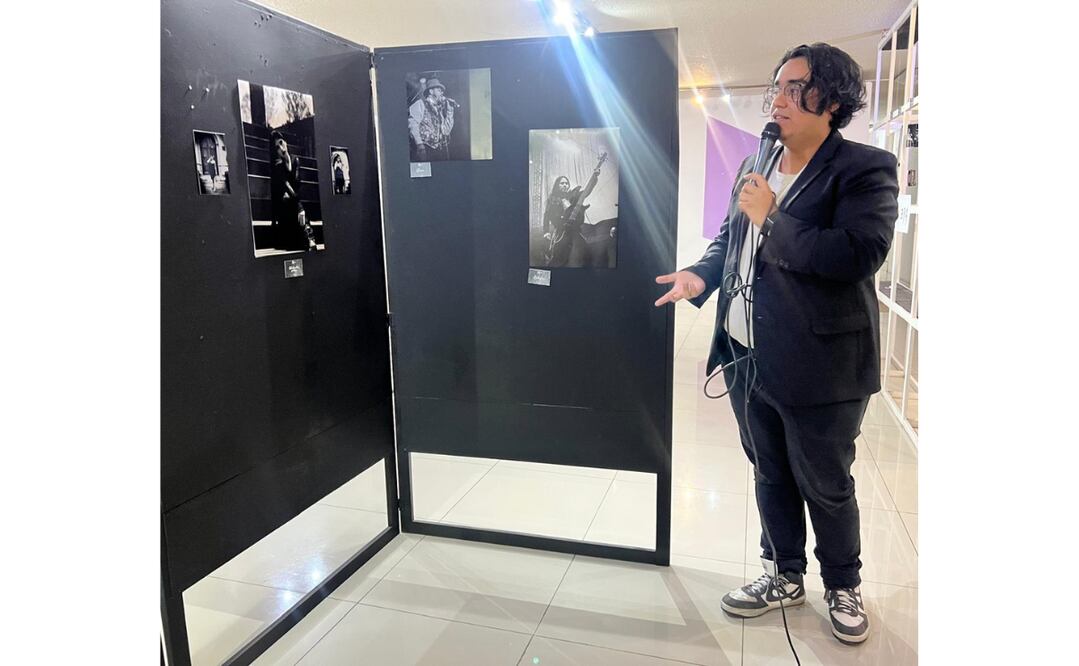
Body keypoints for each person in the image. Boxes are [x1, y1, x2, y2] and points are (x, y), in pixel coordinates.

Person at [654, 43, 899, 646]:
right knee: (769, 472)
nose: (779, 101)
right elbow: (730, 238)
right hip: (745, 355)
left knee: (825, 482)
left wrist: (774, 217)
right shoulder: (757, 161)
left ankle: (842, 584)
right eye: (777, 88)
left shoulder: (865, 168)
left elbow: (855, 255)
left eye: (796, 88)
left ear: (833, 100)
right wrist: (700, 276)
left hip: (823, 365)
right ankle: (783, 574)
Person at [541, 153, 607, 267]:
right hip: (560, 232)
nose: (565, 185)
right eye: (562, 183)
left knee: (585, 251)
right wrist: (546, 232)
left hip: (575, 230)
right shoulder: (551, 199)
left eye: (566, 183)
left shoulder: (573, 195)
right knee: (557, 256)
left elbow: (586, 191)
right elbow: (546, 216)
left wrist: (595, 177)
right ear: (557, 185)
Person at [269, 130, 316, 251]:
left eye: (281, 143)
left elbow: (297, 184)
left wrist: (288, 160)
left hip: (293, 202)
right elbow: (287, 185)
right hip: (284, 208)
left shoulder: (295, 160)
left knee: (293, 203)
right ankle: (309, 237)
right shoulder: (277, 165)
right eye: (277, 147)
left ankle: (308, 238)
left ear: (285, 142)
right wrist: (300, 208)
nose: (281, 148)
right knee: (289, 201)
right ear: (275, 151)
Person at [408, 77, 455, 162]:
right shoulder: (420, 104)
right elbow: (413, 124)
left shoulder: (439, 110)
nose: (442, 93)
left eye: (442, 91)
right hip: (424, 148)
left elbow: (446, 131)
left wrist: (450, 111)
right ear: (431, 91)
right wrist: (419, 144)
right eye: (439, 90)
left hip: (438, 151)